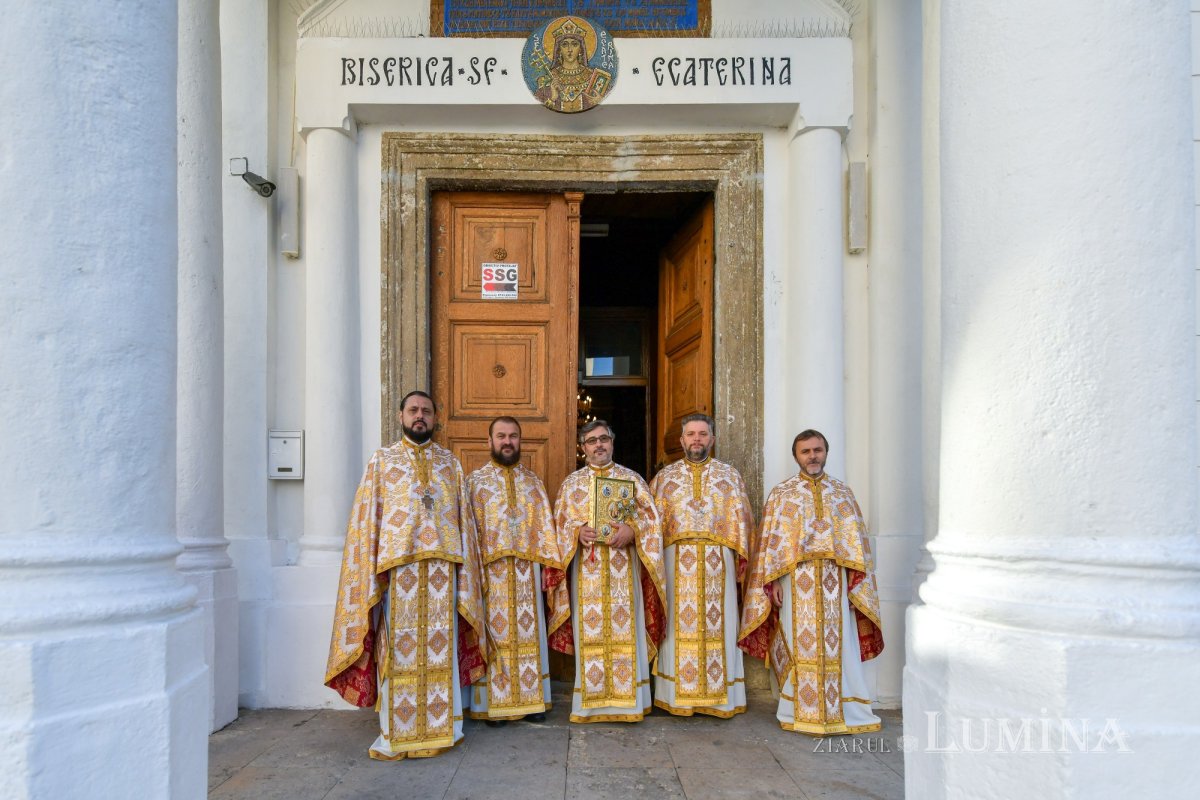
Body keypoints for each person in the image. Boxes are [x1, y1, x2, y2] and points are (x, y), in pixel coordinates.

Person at [324, 390, 488, 760]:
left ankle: (443, 727)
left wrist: (465, 575)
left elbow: (465, 525)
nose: (420, 416)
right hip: (400, 575)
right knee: (399, 653)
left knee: (439, 652)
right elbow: (368, 521)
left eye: (426, 411)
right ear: (401, 416)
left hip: (443, 573)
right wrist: (371, 574)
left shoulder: (450, 464)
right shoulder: (382, 462)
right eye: (413, 410)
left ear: (435, 418)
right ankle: (396, 732)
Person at [738, 429, 885, 735]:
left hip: (835, 580)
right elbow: (770, 545)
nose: (812, 456)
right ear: (796, 456)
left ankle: (844, 707)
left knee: (839, 643)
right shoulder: (783, 494)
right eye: (805, 451)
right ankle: (797, 709)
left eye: (817, 450)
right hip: (796, 582)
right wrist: (774, 581)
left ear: (826, 452)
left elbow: (857, 543)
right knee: (797, 639)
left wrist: (854, 585)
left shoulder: (841, 493)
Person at [551, 419, 666, 722]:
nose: (598, 445)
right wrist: (576, 533)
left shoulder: (632, 480)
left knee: (625, 629)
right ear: (583, 447)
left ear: (612, 443)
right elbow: (558, 526)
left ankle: (630, 703)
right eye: (591, 440)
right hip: (586, 572)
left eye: (604, 439)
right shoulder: (571, 484)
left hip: (623, 571)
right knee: (590, 629)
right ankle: (591, 701)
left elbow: (653, 522)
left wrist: (633, 530)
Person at [465, 417, 569, 725]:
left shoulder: (533, 482)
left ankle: (532, 700)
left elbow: (545, 529)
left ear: (520, 441)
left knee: (529, 635)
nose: (507, 441)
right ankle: (495, 706)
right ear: (490, 442)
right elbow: (468, 533)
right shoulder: (474, 483)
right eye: (501, 436)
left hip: (527, 573)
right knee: (495, 636)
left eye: (513, 436)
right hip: (491, 574)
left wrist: (548, 572)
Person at [650, 414, 753, 718]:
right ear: (681, 440)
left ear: (712, 439)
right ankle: (676, 697)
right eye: (691, 434)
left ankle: (721, 698)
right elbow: (650, 527)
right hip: (675, 565)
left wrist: (742, 568)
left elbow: (745, 525)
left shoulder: (730, 477)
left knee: (720, 626)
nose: (696, 439)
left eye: (703, 434)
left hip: (718, 565)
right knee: (677, 626)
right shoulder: (664, 480)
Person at [533, 17, 613, 113]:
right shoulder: (548, 80)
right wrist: (553, 98)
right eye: (565, 44)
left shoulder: (594, 78)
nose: (570, 49)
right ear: (559, 50)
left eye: (575, 44)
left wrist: (598, 101)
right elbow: (539, 111)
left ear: (581, 49)